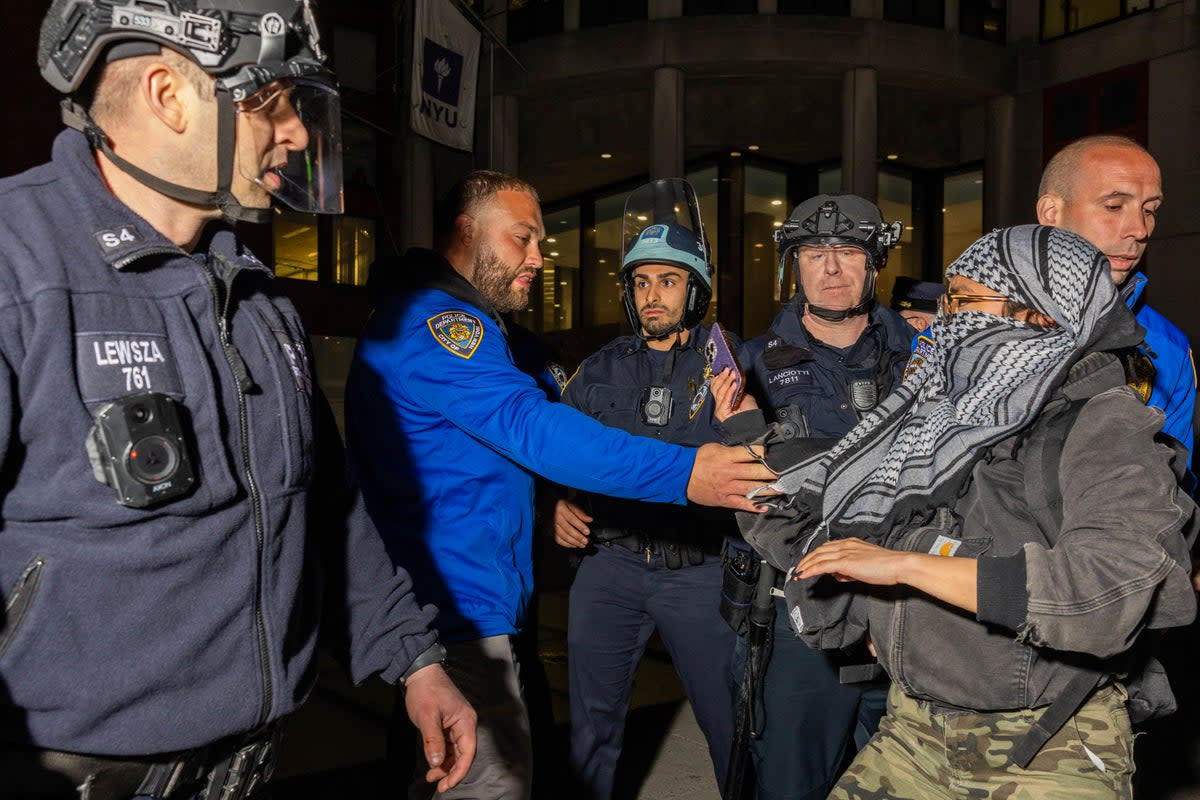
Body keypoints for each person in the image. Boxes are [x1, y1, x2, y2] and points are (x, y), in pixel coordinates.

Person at [1, 1, 475, 798]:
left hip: (250, 768)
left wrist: (415, 659)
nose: (294, 132)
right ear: (168, 94)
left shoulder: (256, 299)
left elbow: (327, 503)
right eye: (275, 101)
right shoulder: (17, 268)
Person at [343, 170, 776, 800]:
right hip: (461, 611)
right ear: (467, 231)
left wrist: (551, 498)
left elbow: (513, 435)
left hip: (507, 602)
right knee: (493, 778)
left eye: (539, 242)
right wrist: (687, 472)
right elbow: (533, 429)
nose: (539, 259)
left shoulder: (710, 354)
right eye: (522, 238)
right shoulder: (436, 326)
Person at [737, 224, 1197, 798]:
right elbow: (840, 504)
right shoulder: (948, 416)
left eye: (963, 301)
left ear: (1039, 315)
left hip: (1044, 742)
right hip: (913, 728)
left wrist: (904, 569)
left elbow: (1109, 588)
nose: (946, 319)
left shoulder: (1104, 425)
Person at [727, 193, 913, 800]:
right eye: (814, 253)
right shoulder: (747, 364)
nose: (830, 269)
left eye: (848, 252)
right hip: (798, 612)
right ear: (794, 265)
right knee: (791, 781)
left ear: (875, 260)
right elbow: (735, 489)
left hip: (910, 606)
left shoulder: (925, 359)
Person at [553, 210, 737, 798]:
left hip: (698, 571)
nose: (651, 295)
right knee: (590, 730)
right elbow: (553, 447)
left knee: (732, 725)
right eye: (640, 281)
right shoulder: (599, 369)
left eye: (668, 280)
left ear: (695, 289)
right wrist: (554, 502)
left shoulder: (727, 362)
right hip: (609, 568)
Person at [1036, 134, 1196, 462]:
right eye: (1114, 206)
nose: (1140, 229)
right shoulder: (977, 316)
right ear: (1052, 213)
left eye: (1150, 210)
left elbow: (1177, 485)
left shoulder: (1169, 347)